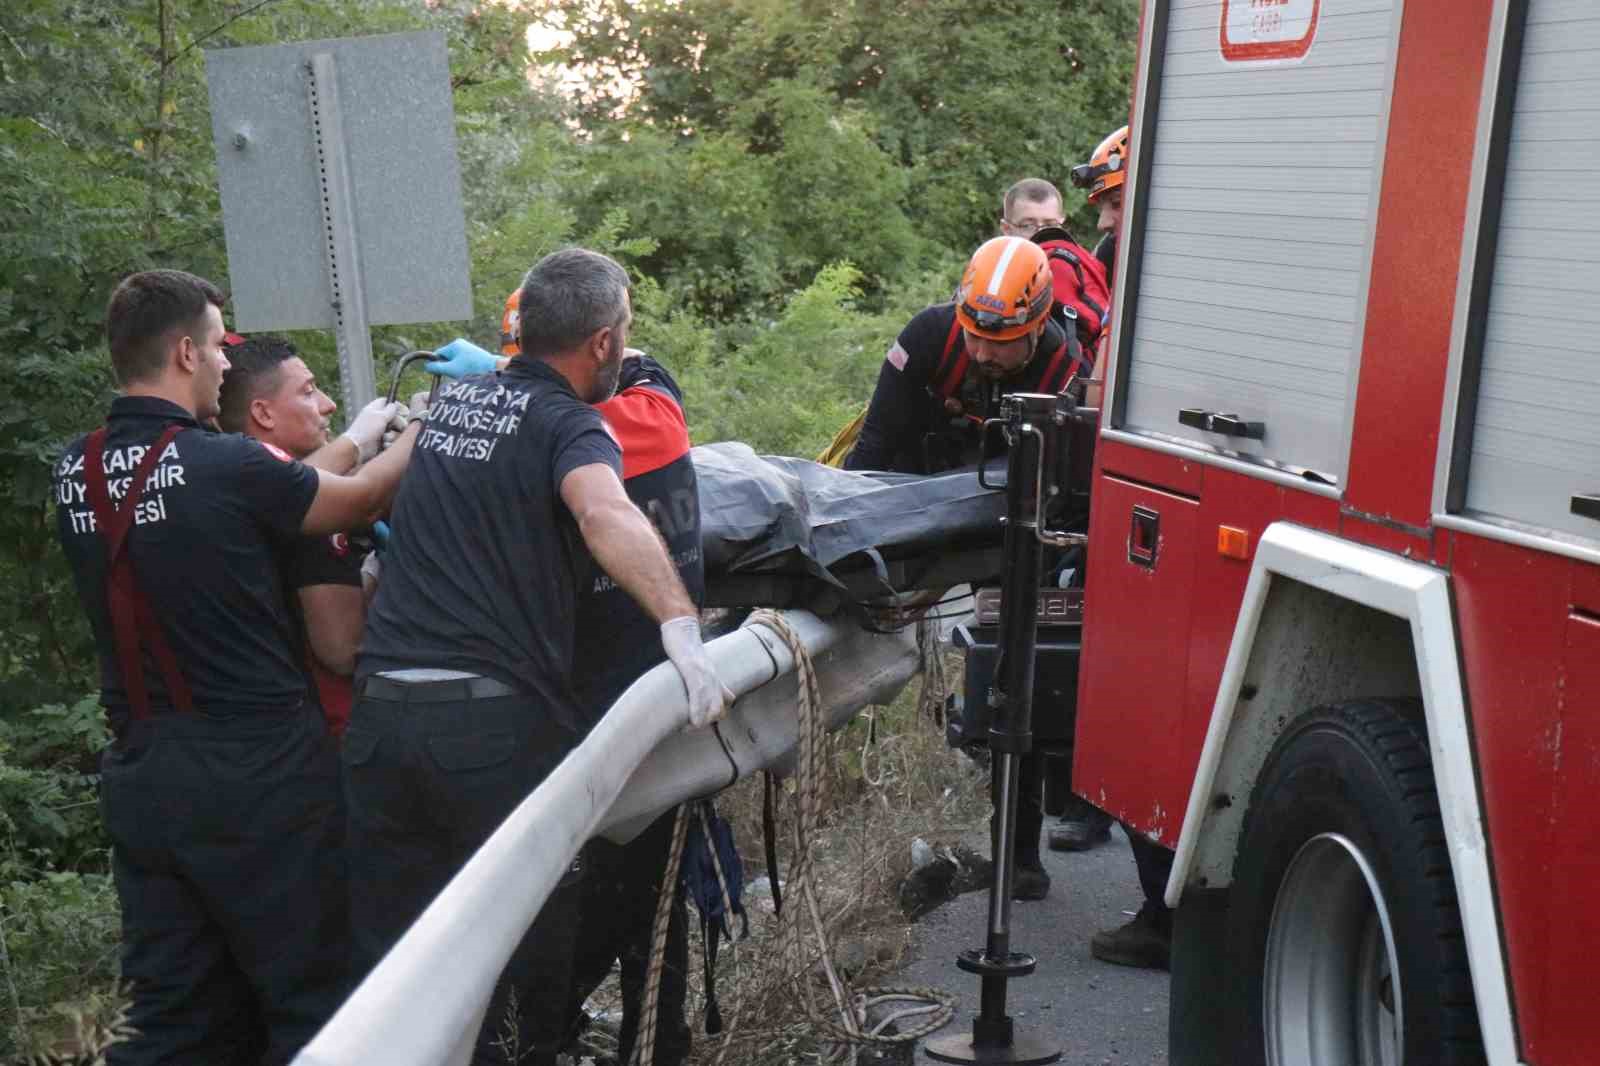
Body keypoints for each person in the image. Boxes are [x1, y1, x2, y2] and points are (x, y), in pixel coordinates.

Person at [344, 248, 733, 1066]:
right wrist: (679, 625)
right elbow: (604, 513)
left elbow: (365, 492)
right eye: (622, 338)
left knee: (400, 967)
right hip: (487, 728)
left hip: (379, 720)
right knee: (526, 957)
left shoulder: (449, 408)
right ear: (599, 344)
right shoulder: (570, 424)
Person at [52, 268, 417, 1066]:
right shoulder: (221, 463)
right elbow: (350, 502)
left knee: (173, 1011)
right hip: (260, 772)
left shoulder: (72, 473)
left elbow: (289, 478)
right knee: (311, 995)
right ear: (186, 351)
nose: (224, 364)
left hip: (143, 773)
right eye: (217, 347)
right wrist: (417, 431)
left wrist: (354, 431)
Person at [426, 293, 701, 1066]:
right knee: (578, 899)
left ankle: (651, 1044)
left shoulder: (640, 409)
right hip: (563, 696)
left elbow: (590, 448)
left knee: (641, 898)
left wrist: (489, 410)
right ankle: (556, 1036)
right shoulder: (558, 414)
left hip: (635, 691)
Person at [844, 237, 1087, 901]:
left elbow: (1063, 496)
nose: (982, 353)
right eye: (974, 334)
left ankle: (1020, 854)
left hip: (1016, 520)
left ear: (1036, 326)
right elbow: (873, 453)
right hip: (917, 498)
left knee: (1018, 675)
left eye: (999, 342)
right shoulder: (930, 337)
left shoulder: (1066, 371)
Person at [1062, 123, 1175, 971]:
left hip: (1156, 512)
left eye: (1113, 201)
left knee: (1140, 704)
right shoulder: (1148, 264)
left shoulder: (1160, 269)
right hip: (1160, 501)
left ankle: (1166, 916)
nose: (1105, 221)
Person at [217, 334, 390, 737]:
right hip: (327, 731)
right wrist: (384, 570)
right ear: (263, 413)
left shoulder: (221, 496)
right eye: (309, 392)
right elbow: (342, 650)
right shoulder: (313, 520)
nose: (328, 404)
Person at [999, 177, 1068, 239]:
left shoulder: (1075, 252)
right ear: (1006, 229)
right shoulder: (991, 252)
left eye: (1050, 226)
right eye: (1029, 226)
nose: (1041, 235)